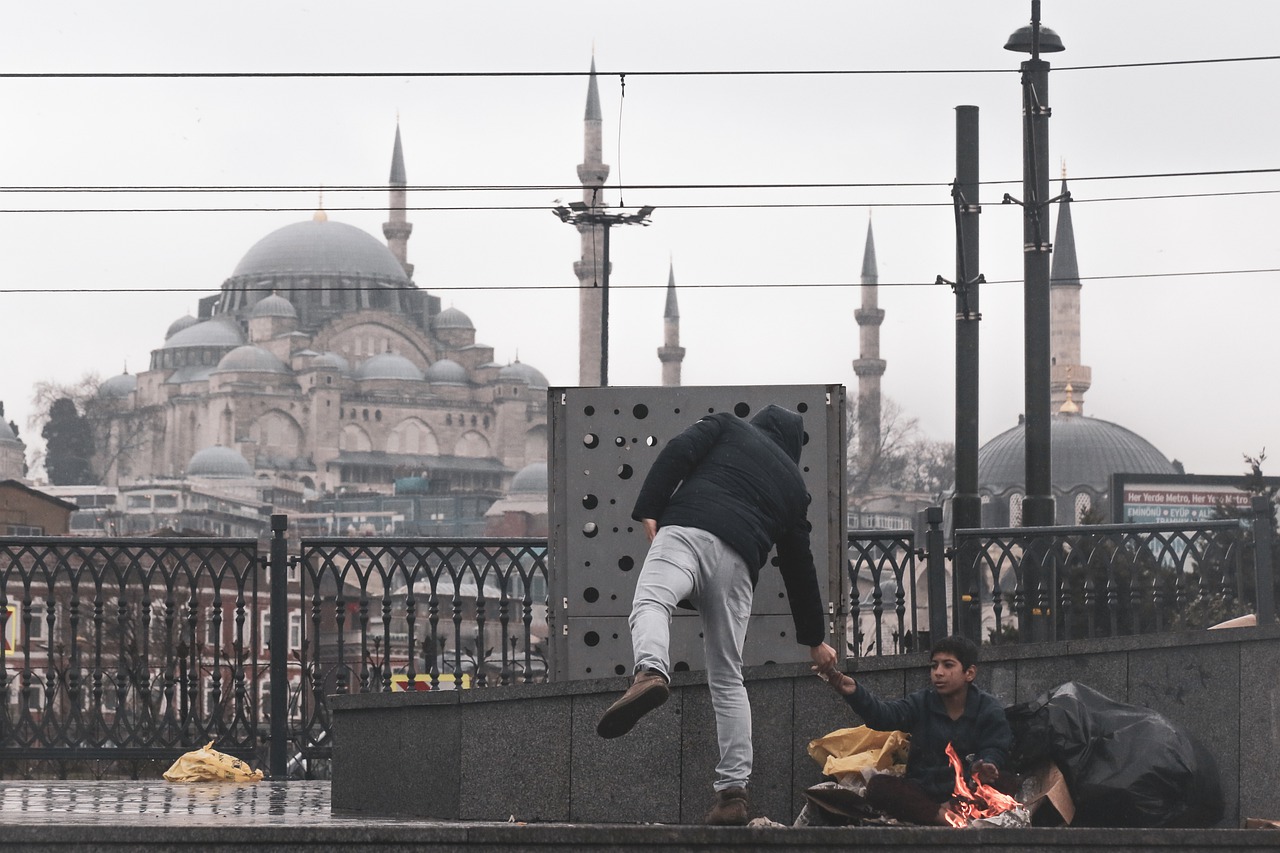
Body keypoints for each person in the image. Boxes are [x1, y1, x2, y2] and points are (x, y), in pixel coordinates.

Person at [595, 404, 837, 826]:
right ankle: (732, 795)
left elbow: (678, 451)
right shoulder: (795, 488)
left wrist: (650, 506)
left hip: (688, 529)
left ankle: (651, 671)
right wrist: (815, 639)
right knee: (727, 677)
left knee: (653, 603)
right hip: (740, 562)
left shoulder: (727, 425)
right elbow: (800, 565)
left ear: (759, 424)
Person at [813, 635, 1013, 826]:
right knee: (879, 787)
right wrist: (854, 692)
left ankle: (947, 812)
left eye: (948, 665)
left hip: (967, 791)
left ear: (969, 673)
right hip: (925, 791)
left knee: (1007, 784)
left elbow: (996, 746)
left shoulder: (988, 708)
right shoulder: (922, 702)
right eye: (934, 666)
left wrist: (988, 765)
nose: (938, 672)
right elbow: (884, 716)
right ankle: (941, 817)